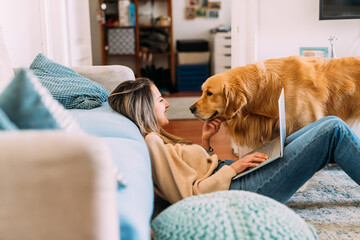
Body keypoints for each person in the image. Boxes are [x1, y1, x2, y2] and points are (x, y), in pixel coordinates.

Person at [108, 78, 360, 204]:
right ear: (144, 108)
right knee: (333, 129)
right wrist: (235, 167)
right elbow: (192, 195)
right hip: (241, 189)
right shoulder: (151, 143)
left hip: (235, 179)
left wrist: (206, 142)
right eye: (160, 100)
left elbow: (192, 175)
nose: (167, 103)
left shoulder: (155, 139)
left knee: (323, 125)